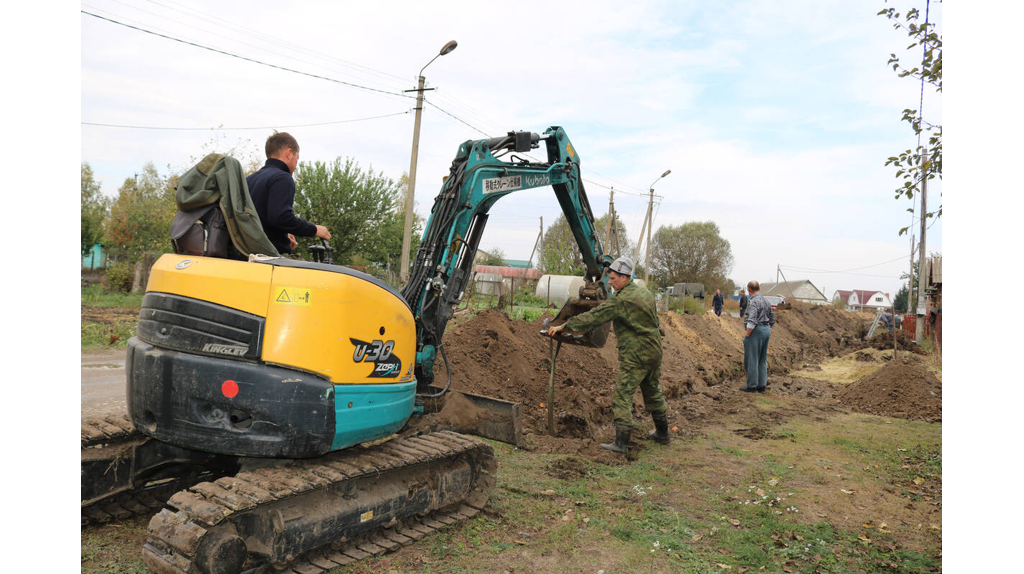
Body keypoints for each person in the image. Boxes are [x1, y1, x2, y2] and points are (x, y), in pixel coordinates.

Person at [547, 257, 668, 454]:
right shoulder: (645, 294)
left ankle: (621, 443)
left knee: (621, 396)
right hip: (654, 350)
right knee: (652, 389)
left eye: (612, 278)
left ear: (624, 277)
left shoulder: (621, 300)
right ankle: (663, 434)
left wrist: (564, 326)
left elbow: (595, 316)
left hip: (636, 354)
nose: (609, 282)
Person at [247, 131, 331, 255]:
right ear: (289, 152)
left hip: (247, 253)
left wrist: (283, 234)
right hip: (269, 258)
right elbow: (281, 218)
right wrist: (315, 229)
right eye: (297, 158)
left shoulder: (249, 179)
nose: (296, 165)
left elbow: (260, 219)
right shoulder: (282, 177)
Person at [741, 281, 775, 393]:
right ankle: (761, 386)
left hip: (756, 330)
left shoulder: (754, 301)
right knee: (762, 359)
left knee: (752, 359)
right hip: (766, 330)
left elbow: (752, 320)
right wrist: (766, 328)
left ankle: (751, 386)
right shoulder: (766, 301)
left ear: (749, 289)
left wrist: (748, 335)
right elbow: (772, 319)